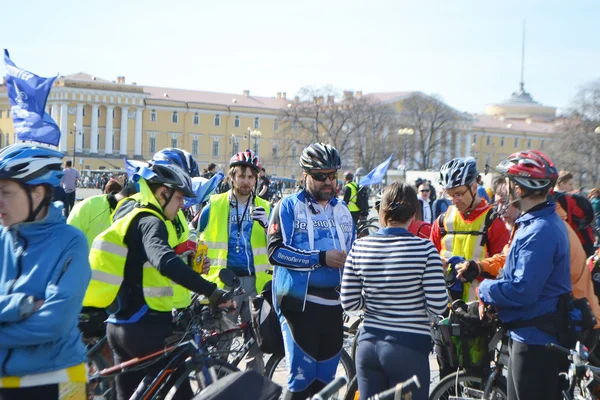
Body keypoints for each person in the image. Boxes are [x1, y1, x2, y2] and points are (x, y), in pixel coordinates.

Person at [83, 160, 230, 400]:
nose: (182, 204)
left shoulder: (133, 217)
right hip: (146, 327)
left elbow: (147, 264)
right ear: (163, 193)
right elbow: (163, 261)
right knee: (181, 390)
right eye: (179, 198)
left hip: (120, 325)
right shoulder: (151, 222)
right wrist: (211, 291)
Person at [476, 150, 571, 399]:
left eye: (509, 181)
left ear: (519, 188)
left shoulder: (539, 230)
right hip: (530, 336)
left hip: (535, 342)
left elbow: (523, 290)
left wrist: (484, 289)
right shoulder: (535, 222)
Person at [0, 144, 91, 399]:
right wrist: (21, 305)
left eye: (6, 192)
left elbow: (54, 323)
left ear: (37, 193)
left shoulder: (70, 241)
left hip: (56, 380)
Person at [342, 183, 447, 400]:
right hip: (408, 347)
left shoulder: (360, 246)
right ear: (414, 213)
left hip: (369, 345)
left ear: (382, 210)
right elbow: (438, 305)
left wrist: (373, 300)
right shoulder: (425, 249)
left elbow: (349, 302)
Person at [268, 143, 355, 400]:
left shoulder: (343, 211)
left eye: (332, 175)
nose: (328, 181)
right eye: (320, 176)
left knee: (325, 387)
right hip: (299, 307)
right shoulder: (287, 206)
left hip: (333, 307)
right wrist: (320, 258)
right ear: (304, 175)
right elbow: (275, 253)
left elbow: (350, 256)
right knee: (299, 385)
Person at [198, 149, 271, 372]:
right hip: (225, 282)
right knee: (223, 342)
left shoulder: (265, 208)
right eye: (241, 176)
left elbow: (277, 245)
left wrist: (268, 226)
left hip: (253, 283)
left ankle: (254, 389)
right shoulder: (215, 204)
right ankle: (220, 386)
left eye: (251, 177)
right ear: (232, 177)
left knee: (255, 342)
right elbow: (197, 239)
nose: (246, 181)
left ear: (256, 179)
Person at [430, 157, 510, 301]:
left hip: (480, 308)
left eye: (459, 194)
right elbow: (428, 260)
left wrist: (478, 268)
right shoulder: (442, 221)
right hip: (446, 306)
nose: (454, 201)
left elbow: (505, 266)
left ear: (474, 187)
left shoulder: (495, 221)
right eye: (450, 195)